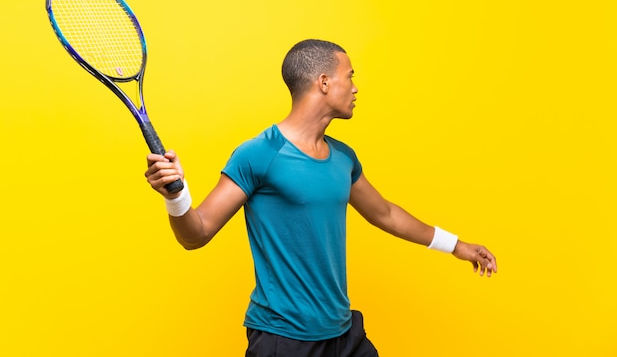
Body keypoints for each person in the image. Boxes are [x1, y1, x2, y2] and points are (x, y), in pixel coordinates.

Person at [145, 39, 498, 357]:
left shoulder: (343, 158)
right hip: (283, 339)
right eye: (350, 76)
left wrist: (456, 246)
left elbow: (385, 213)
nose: (356, 88)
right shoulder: (259, 154)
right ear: (324, 82)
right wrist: (176, 195)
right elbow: (197, 233)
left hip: (343, 334)